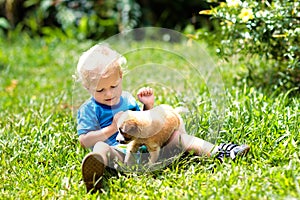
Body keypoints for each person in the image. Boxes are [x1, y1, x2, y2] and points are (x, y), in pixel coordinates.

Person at [76, 44, 250, 193]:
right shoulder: (89, 110)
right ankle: (95, 173)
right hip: (120, 155)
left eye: (114, 86)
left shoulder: (128, 99)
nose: (109, 93)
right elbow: (84, 140)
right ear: (87, 87)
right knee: (100, 147)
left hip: (151, 150)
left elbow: (144, 123)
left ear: (121, 77)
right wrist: (112, 128)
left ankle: (221, 152)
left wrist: (148, 106)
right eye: (100, 90)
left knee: (179, 138)